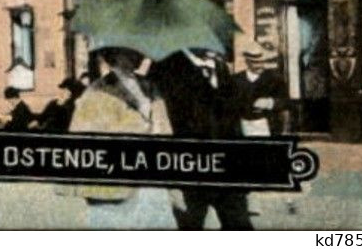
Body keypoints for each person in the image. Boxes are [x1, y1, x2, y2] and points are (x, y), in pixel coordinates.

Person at [67, 46, 172, 228]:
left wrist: (158, 129)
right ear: (116, 55)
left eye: (138, 50)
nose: (139, 55)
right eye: (131, 51)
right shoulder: (97, 91)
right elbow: (85, 138)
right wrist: (141, 128)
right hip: (115, 185)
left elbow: (165, 129)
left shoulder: (149, 86)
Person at [150, 46, 251, 230]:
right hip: (189, 169)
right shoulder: (166, 66)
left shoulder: (221, 67)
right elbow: (161, 122)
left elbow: (232, 119)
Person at [234, 43, 288, 137]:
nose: (260, 65)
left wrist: (270, 102)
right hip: (243, 127)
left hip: (268, 126)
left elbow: (286, 103)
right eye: (255, 62)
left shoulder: (274, 79)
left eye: (262, 61)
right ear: (247, 62)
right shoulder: (236, 80)